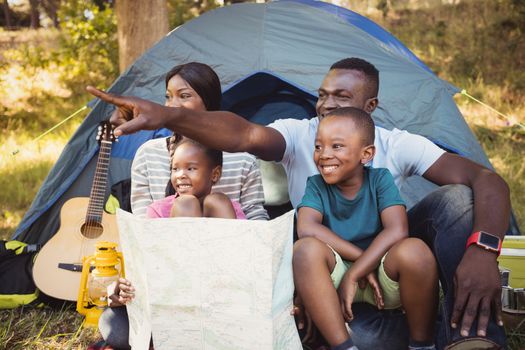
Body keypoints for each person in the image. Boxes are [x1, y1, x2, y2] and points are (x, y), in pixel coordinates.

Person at [87, 57, 510, 349]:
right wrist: (169, 116)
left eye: (340, 97)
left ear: (371, 107)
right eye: (321, 94)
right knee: (364, 340)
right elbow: (243, 136)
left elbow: (485, 180)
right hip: (334, 268)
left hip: (387, 259)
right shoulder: (299, 135)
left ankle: (468, 334)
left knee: (457, 199)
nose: (325, 104)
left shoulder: (396, 147)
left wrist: (483, 250)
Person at [294, 107, 437, 350]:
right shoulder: (316, 186)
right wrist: (359, 265)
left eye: (336, 146)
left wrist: (356, 272)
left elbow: (397, 230)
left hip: (381, 278)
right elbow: (307, 228)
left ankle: (422, 344)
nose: (324, 155)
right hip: (334, 283)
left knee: (415, 251)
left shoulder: (380, 179)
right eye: (318, 146)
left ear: (366, 154)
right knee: (305, 250)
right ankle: (343, 346)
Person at [131, 62, 268, 220]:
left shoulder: (243, 160)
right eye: (168, 97)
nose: (172, 105)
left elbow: (256, 218)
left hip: (228, 240)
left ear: (208, 102)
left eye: (184, 96)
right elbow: (141, 224)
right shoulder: (148, 154)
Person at [146, 137, 246, 220]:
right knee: (185, 203)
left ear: (215, 174)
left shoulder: (230, 208)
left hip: (223, 243)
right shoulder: (159, 210)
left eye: (191, 168)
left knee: (217, 201)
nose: (180, 175)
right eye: (175, 169)